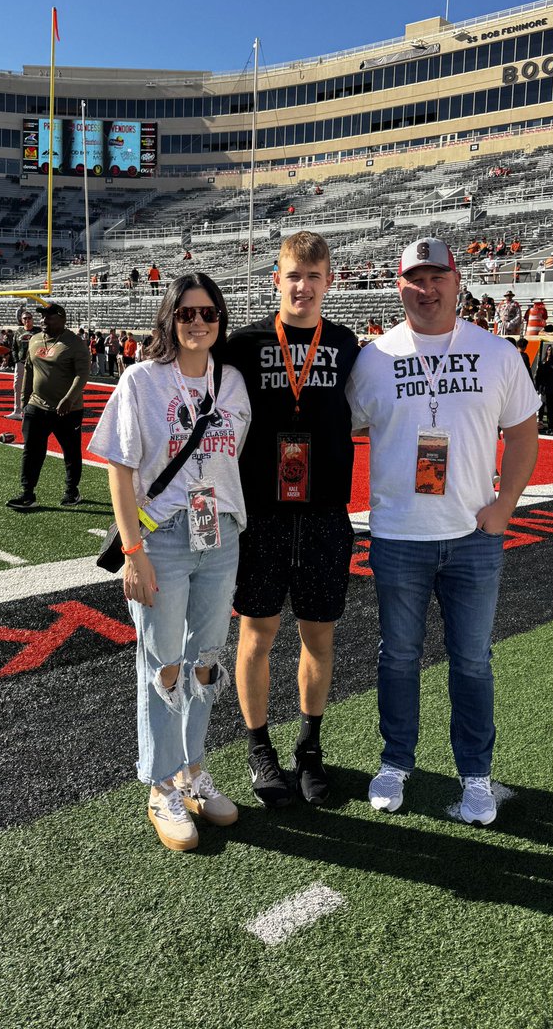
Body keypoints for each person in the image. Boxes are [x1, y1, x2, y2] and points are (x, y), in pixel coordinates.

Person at [346, 237, 540, 826]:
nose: (426, 289)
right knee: (397, 658)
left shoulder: (497, 352)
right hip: (400, 534)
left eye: (437, 278)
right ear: (398, 285)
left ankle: (475, 774)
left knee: (472, 661)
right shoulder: (373, 357)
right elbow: (339, 430)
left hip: (472, 535)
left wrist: (505, 505)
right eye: (414, 279)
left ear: (457, 282)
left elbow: (526, 434)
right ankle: (396, 761)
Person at [89, 273, 252, 851]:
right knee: (162, 665)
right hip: (160, 538)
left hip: (221, 535)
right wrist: (132, 552)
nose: (198, 322)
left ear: (220, 319)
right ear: (170, 319)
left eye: (208, 313)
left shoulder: (231, 382)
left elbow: (231, 461)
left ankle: (192, 770)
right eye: (186, 313)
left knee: (206, 660)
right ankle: (160, 784)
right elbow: (119, 467)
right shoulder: (140, 381)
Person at [224, 231, 359, 808]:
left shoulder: (348, 344)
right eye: (293, 275)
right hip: (262, 514)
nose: (303, 286)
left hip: (326, 512)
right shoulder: (245, 344)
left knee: (319, 636)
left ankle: (309, 747)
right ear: (275, 280)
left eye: (314, 275)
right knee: (257, 634)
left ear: (330, 281)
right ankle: (259, 748)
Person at [6, 302, 91, 511]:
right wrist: (25, 403)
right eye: (42, 317)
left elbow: (82, 374)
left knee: (71, 452)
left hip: (67, 409)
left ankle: (72, 490)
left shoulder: (74, 343)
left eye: (49, 317)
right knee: (31, 450)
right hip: (37, 405)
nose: (43, 321)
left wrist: (69, 398)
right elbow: (29, 369)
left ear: (62, 319)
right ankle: (27, 494)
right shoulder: (35, 340)